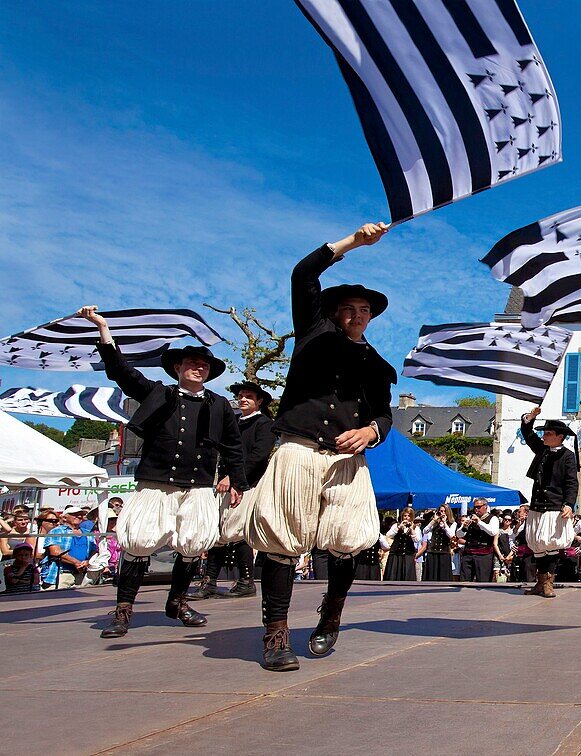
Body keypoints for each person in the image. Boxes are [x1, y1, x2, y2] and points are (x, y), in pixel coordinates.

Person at [243, 221, 393, 671]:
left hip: (348, 460)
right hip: (299, 450)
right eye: (347, 308)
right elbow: (302, 275)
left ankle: (332, 614)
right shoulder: (312, 332)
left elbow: (384, 414)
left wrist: (371, 432)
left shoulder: (377, 365)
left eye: (363, 309)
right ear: (334, 312)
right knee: (281, 542)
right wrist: (353, 242)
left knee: (349, 541)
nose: (356, 315)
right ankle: (276, 634)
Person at [79, 305, 247, 637]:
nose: (198, 368)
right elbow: (122, 373)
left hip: (198, 485)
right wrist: (103, 330)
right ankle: (123, 609)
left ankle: (177, 601)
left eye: (204, 365)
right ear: (178, 368)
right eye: (191, 363)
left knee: (194, 541)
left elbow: (233, 445)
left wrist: (236, 480)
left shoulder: (219, 405)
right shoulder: (160, 393)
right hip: (156, 481)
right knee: (138, 540)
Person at [189, 381, 276, 601]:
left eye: (248, 396)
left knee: (236, 530)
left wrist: (236, 478)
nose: (243, 399)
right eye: (241, 396)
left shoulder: (265, 424)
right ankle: (210, 580)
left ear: (259, 401)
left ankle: (246, 580)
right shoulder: (234, 422)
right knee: (218, 531)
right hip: (225, 484)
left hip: (248, 484)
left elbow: (258, 456)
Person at [518, 407, 578, 598]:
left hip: (554, 507)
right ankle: (540, 582)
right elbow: (528, 434)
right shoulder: (542, 450)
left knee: (550, 544)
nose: (544, 436)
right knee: (537, 545)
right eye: (544, 433)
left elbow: (571, 482)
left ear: (560, 436)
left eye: (549, 433)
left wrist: (569, 504)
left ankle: (548, 584)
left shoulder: (568, 456)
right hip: (537, 505)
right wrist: (531, 418)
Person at [41, 506, 99, 590]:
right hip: (62, 574)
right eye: (75, 515)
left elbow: (94, 551)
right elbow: (55, 551)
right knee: (57, 599)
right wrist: (76, 562)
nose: (79, 516)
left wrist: (88, 561)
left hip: (81, 574)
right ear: (65, 517)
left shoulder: (87, 533)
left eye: (81, 514)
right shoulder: (57, 531)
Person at [459, 498, 499, 582]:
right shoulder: (470, 518)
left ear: (485, 507)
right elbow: (458, 535)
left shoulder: (493, 518)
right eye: (475, 507)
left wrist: (479, 522)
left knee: (482, 580)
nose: (476, 509)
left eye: (478, 507)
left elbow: (493, 532)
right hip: (468, 553)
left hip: (483, 555)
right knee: (465, 580)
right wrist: (464, 527)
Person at [383, 507, 420, 582]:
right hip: (396, 555)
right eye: (405, 516)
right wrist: (399, 527)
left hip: (407, 555)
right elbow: (388, 535)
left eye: (409, 516)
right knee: (393, 576)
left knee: (407, 577)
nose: (406, 518)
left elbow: (417, 540)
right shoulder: (396, 525)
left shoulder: (415, 528)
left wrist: (411, 530)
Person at [421, 505, 456, 582]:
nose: (442, 513)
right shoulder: (435, 523)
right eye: (441, 511)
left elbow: (451, 535)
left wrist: (445, 524)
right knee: (432, 575)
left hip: (444, 552)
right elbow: (425, 531)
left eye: (444, 511)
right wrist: (433, 521)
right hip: (432, 551)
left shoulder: (452, 523)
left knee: (443, 575)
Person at [509, 505, 536, 583]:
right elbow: (512, 536)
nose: (518, 513)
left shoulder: (532, 523)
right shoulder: (519, 523)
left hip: (530, 554)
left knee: (529, 577)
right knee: (518, 577)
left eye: (520, 511)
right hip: (519, 554)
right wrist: (519, 524)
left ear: (526, 513)